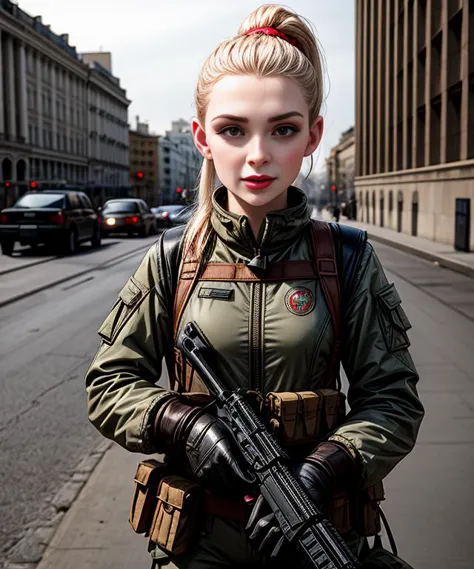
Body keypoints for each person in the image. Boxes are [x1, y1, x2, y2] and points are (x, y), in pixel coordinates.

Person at [85, 5, 424, 568]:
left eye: (284, 129)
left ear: (313, 135)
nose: (258, 154)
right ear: (201, 137)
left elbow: (393, 401)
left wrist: (326, 467)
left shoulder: (347, 259)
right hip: (201, 544)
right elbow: (109, 383)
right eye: (232, 130)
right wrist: (185, 425)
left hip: (317, 536)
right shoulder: (173, 259)